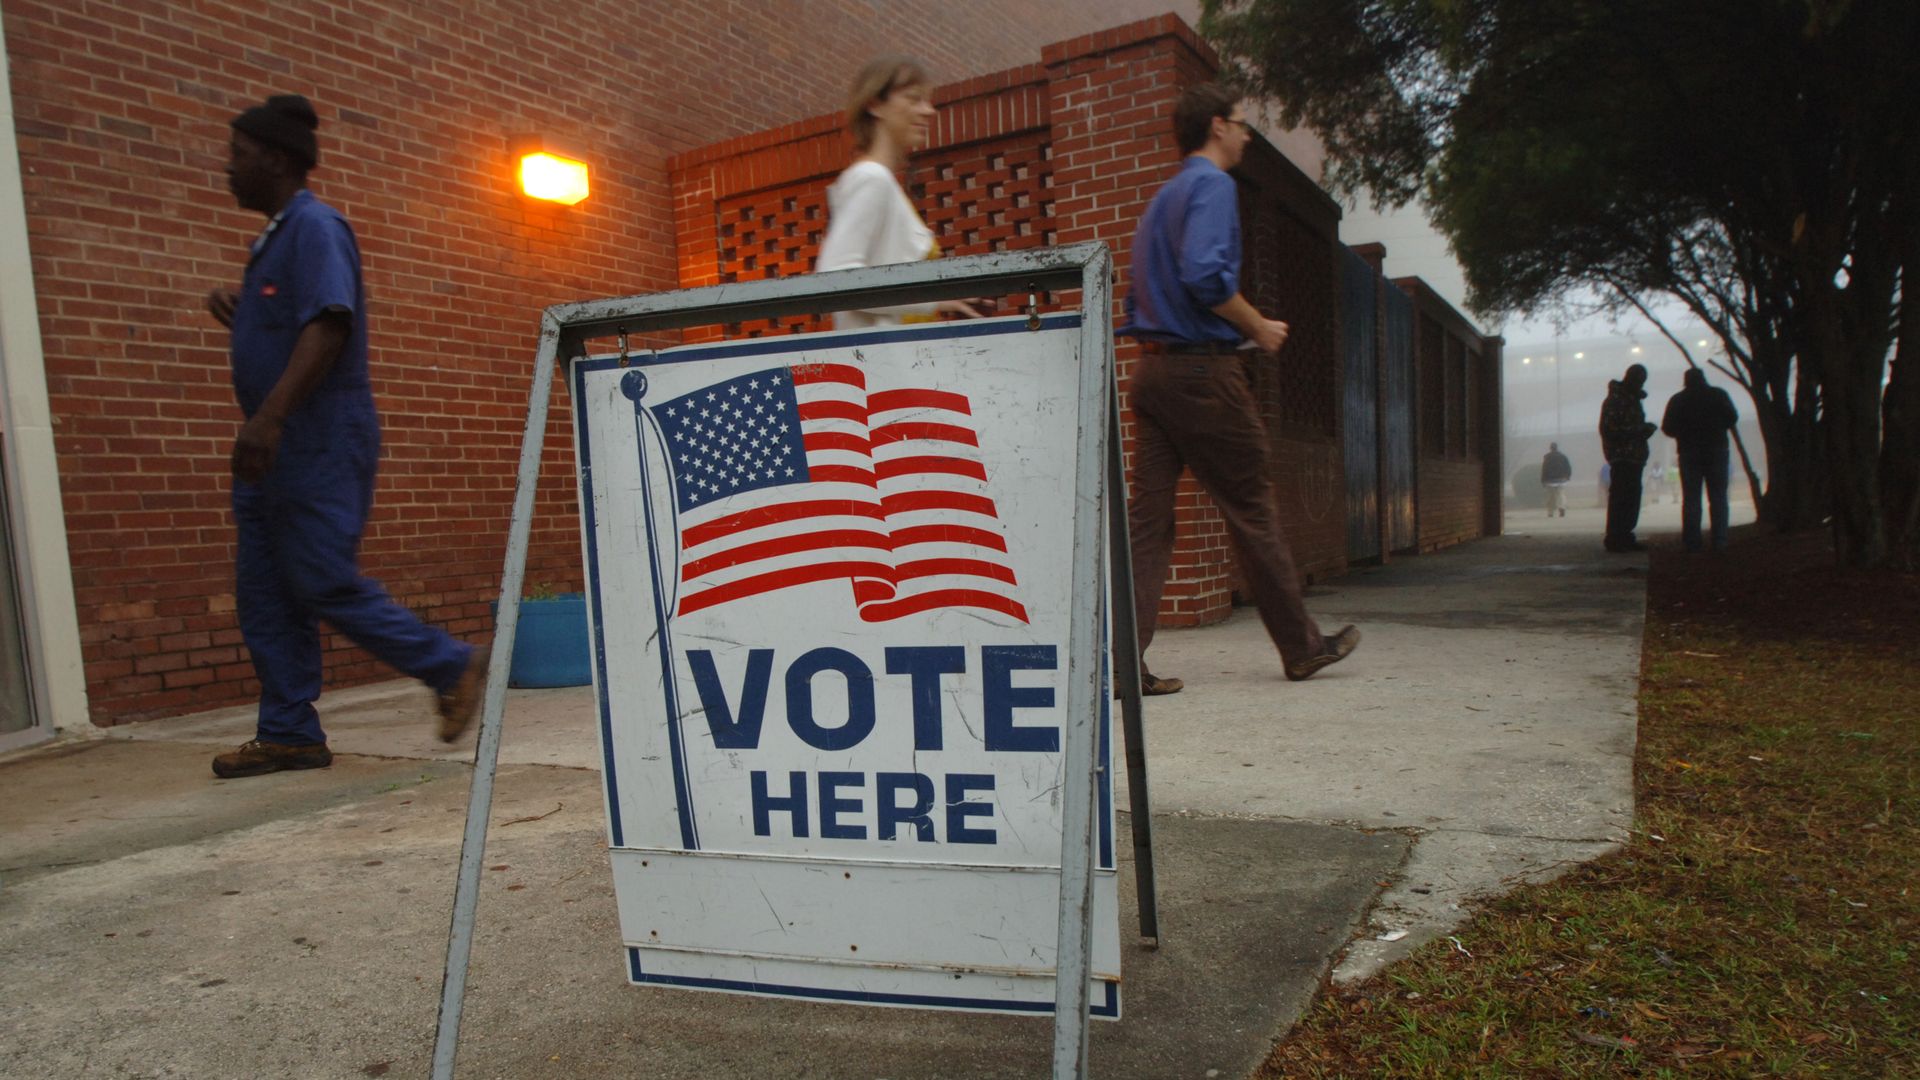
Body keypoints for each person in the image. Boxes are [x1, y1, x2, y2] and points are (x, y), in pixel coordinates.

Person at [205, 94, 487, 779]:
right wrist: (247, 321)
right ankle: (289, 732)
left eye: (238, 155)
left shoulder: (315, 225)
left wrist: (269, 418)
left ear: (276, 157)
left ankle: (449, 666)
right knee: (266, 590)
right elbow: (296, 320)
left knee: (320, 576)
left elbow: (330, 323)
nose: (227, 169)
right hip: (275, 448)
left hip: (315, 437)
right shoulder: (274, 238)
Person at [1119, 82, 1359, 696]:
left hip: (1150, 373)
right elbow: (1206, 275)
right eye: (1242, 122)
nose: (1248, 134)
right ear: (1217, 127)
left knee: (1147, 523)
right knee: (1250, 508)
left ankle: (1121, 662)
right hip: (1203, 373)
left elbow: (1134, 295)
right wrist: (1258, 326)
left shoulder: (1160, 202)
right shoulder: (1211, 186)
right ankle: (1302, 649)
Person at [815, 56, 984, 328]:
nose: (929, 110)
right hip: (882, 361)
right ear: (875, 104)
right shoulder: (872, 179)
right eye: (914, 98)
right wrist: (931, 300)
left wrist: (938, 300)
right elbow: (836, 276)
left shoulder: (879, 182)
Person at [1661, 368, 1740, 552]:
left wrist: (1682, 433)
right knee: (1719, 497)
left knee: (1691, 499)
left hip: (1689, 451)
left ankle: (1692, 542)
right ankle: (1720, 540)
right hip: (1717, 449)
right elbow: (1732, 417)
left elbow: (1667, 427)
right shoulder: (1718, 395)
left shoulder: (1678, 400)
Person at [1598, 363, 1658, 552]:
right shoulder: (1616, 400)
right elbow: (1609, 430)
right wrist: (1640, 430)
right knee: (1622, 499)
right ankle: (1617, 537)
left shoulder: (1631, 400)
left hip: (1633, 457)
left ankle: (1624, 535)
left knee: (1631, 499)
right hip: (1622, 458)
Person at [1540, 442, 1572, 517]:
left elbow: (1544, 469)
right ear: (1557, 448)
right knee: (1561, 494)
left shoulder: (1547, 457)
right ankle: (1562, 507)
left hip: (1549, 480)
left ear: (1550, 448)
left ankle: (1550, 512)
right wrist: (1568, 476)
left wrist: (1543, 480)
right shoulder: (1563, 456)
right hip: (1561, 479)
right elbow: (1568, 467)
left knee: (1550, 496)